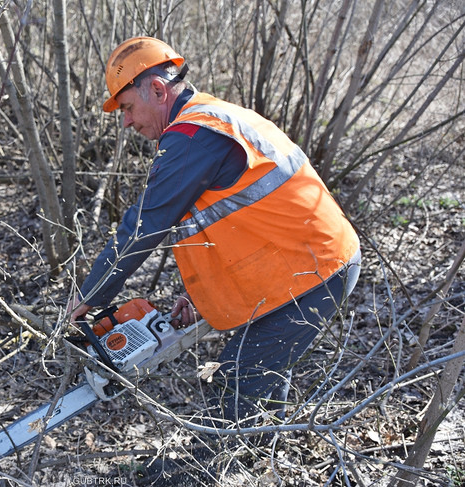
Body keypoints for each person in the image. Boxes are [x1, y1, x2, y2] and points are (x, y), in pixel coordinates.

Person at [70, 37, 361, 443]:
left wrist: (91, 295)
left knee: (240, 379)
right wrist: (201, 292)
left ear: (156, 90)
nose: (126, 122)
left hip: (312, 271)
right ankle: (258, 459)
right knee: (257, 382)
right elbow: (233, 218)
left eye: (128, 108)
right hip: (303, 264)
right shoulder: (207, 123)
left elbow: (146, 224)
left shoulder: (195, 133)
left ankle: (222, 469)